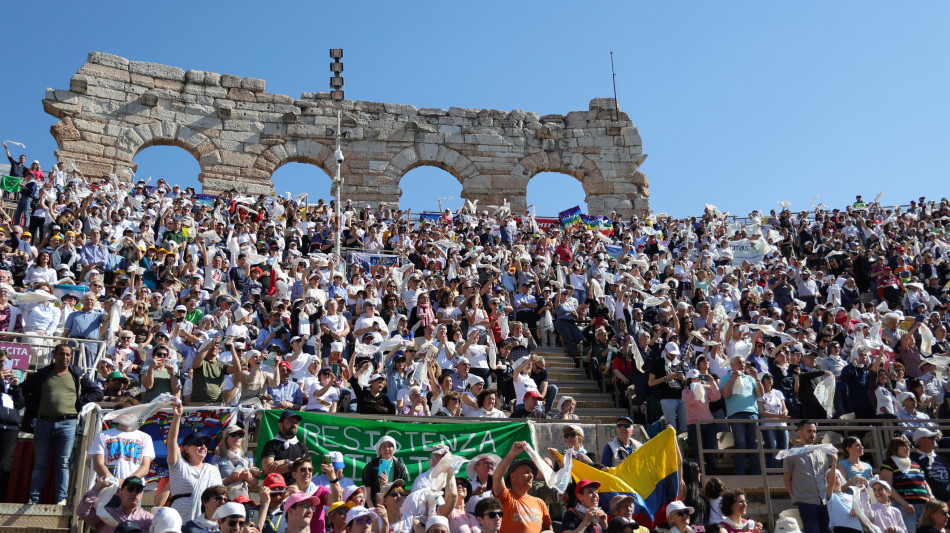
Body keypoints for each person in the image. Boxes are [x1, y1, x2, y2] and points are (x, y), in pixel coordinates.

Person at [22, 342, 103, 504]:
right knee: (40, 464)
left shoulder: (77, 374)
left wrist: (79, 404)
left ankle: (61, 499)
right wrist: (35, 407)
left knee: (63, 464)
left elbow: (97, 393)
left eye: (68, 354)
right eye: (61, 354)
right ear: (54, 355)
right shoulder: (43, 373)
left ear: (71, 357)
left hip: (68, 424)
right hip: (43, 423)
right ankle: (34, 499)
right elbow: (22, 390)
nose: (65, 357)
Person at [166, 402, 224, 521]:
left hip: (208, 522)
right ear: (186, 449)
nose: (203, 446)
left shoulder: (212, 470)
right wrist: (177, 417)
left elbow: (221, 496)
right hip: (181, 521)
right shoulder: (179, 465)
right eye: (198, 443)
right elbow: (171, 442)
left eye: (205, 444)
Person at [492, 441, 552, 533]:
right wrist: (512, 453)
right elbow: (497, 477)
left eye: (532, 473)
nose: (531, 475)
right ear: (513, 476)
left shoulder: (540, 503)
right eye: (527, 472)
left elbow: (548, 528)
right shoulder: (506, 497)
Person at [783, 420, 832, 533]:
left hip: (824, 501)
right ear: (800, 433)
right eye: (809, 431)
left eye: (814, 431)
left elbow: (826, 475)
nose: (812, 434)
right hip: (806, 502)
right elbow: (787, 478)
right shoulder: (791, 453)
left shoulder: (821, 451)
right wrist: (795, 498)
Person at [880, 436, 934, 533]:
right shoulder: (888, 463)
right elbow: (887, 487)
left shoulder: (915, 463)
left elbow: (924, 482)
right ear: (894, 448)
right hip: (905, 506)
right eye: (904, 445)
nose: (908, 448)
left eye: (908, 445)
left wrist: (930, 496)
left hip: (924, 506)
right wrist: (904, 504)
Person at [721, 355, 763, 476]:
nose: (742, 365)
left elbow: (760, 394)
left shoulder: (750, 378)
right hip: (735, 414)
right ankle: (740, 475)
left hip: (752, 413)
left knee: (754, 444)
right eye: (739, 362)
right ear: (731, 365)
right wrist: (734, 377)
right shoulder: (725, 378)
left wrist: (757, 379)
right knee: (740, 443)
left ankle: (757, 475)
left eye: (744, 362)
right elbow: (724, 395)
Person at [88, 409, 156, 482]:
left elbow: (145, 467)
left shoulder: (145, 437)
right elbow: (98, 465)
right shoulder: (102, 435)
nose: (128, 415)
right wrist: (115, 482)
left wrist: (126, 483)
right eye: (125, 412)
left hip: (133, 486)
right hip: (108, 485)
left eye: (132, 412)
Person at [77, 476, 154, 533]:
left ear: (141, 495)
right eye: (130, 489)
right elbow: (82, 513)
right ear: (120, 492)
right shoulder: (106, 513)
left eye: (138, 490)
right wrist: (97, 488)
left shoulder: (147, 518)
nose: (134, 493)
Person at [260, 410, 309, 485]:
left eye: (296, 423)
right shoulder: (271, 445)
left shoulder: (302, 446)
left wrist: (286, 463)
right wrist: (291, 465)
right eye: (290, 422)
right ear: (280, 425)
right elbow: (267, 470)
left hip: (297, 489)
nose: (294, 425)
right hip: (275, 489)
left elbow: (306, 469)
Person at [212, 424, 260, 499]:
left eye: (240, 435)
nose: (237, 437)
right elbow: (214, 483)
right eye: (233, 435)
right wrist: (234, 478)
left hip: (244, 500)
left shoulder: (248, 456)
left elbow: (255, 483)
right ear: (226, 438)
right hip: (225, 500)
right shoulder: (218, 458)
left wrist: (247, 476)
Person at [361, 435, 408, 503]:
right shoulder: (371, 466)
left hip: (392, 505)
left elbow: (400, 492)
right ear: (379, 449)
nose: (387, 449)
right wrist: (373, 508)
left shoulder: (400, 468)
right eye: (384, 446)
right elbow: (367, 496)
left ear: (394, 449)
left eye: (390, 446)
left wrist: (386, 486)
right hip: (373, 505)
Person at [910, 428, 950, 502]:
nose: (934, 439)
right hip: (930, 503)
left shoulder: (941, 460)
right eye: (931, 438)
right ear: (920, 441)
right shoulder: (913, 461)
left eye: (935, 437)